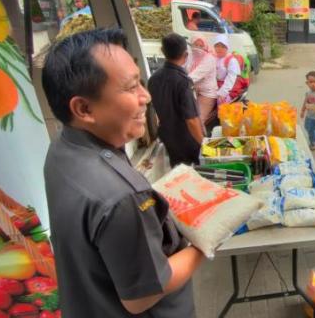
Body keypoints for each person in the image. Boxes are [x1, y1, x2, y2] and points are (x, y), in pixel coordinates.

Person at [42, 28, 204, 317]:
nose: (146, 96)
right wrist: (205, 243)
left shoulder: (62, 149)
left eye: (140, 82)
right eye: (131, 88)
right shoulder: (123, 198)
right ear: (84, 108)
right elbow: (143, 296)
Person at [148, 33, 204, 166]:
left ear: (162, 51)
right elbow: (191, 119)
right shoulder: (183, 82)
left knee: (177, 173)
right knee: (195, 174)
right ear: (185, 55)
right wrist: (203, 143)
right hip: (186, 138)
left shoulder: (153, 79)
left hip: (168, 136)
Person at [185, 37, 218, 129]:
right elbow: (182, 69)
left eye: (201, 46)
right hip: (192, 90)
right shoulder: (190, 56)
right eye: (196, 45)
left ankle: (200, 140)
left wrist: (178, 82)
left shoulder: (209, 59)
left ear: (205, 46)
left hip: (207, 93)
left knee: (198, 120)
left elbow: (195, 76)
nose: (198, 48)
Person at [214, 34, 248, 104]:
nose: (219, 48)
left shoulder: (231, 60)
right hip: (215, 85)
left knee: (220, 101)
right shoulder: (213, 57)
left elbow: (231, 78)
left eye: (223, 46)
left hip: (230, 86)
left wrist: (223, 93)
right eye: (217, 46)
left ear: (227, 47)